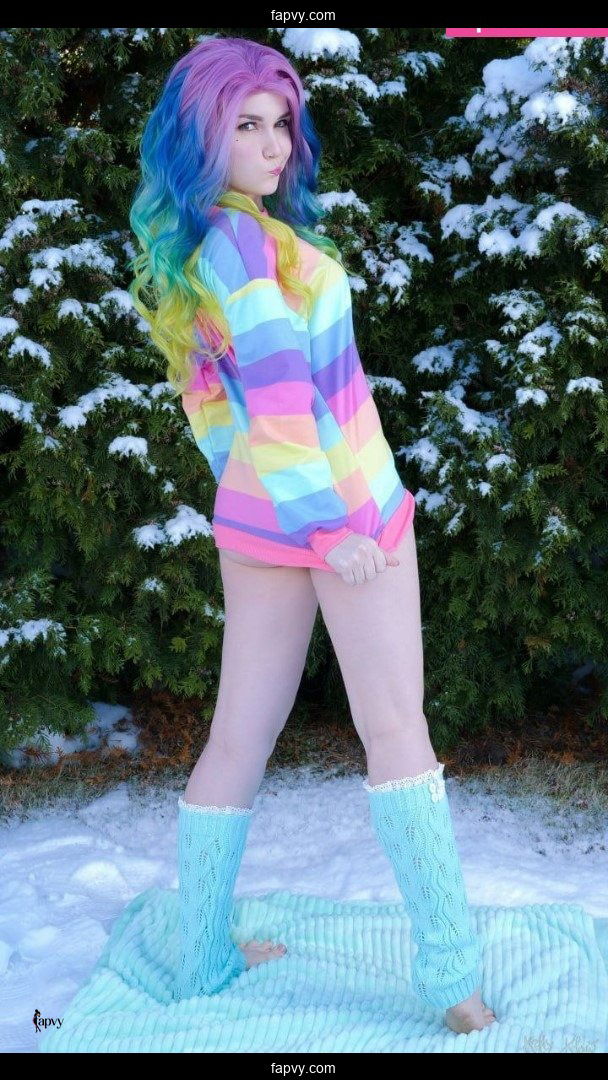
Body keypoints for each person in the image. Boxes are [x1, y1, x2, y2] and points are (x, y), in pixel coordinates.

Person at [129, 35, 496, 1035]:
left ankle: (204, 955)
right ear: (198, 139)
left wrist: (256, 495)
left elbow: (212, 408)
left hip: (260, 512)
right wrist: (329, 523)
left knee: (238, 736)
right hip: (346, 511)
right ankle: (454, 985)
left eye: (279, 123)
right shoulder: (248, 250)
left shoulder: (205, 247)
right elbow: (287, 392)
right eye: (243, 125)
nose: (271, 144)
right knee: (397, 731)